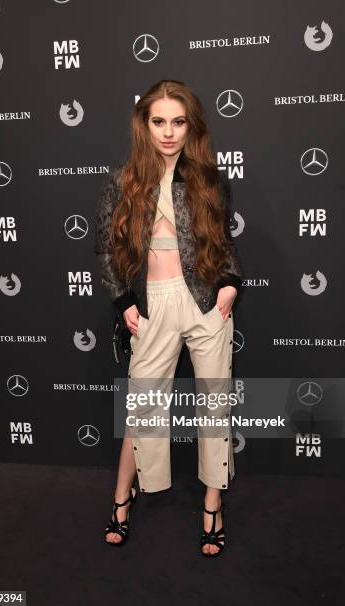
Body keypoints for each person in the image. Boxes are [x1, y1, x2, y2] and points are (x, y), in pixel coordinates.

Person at [94, 79, 244, 557]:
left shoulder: (209, 179)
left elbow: (225, 246)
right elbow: (105, 248)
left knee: (214, 408)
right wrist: (124, 301)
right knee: (142, 410)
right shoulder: (122, 181)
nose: (169, 132)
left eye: (178, 122)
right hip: (153, 304)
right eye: (159, 121)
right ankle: (122, 496)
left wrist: (230, 284)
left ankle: (212, 506)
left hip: (204, 302)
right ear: (144, 124)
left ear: (190, 125)